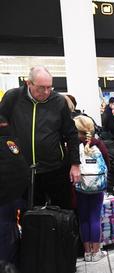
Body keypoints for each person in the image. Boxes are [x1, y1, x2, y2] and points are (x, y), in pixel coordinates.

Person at [0, 66, 80, 209]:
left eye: (49, 87)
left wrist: (75, 164)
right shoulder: (13, 97)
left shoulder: (59, 101)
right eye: (41, 87)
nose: (46, 92)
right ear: (28, 83)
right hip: (22, 170)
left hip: (55, 168)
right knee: (30, 217)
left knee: (63, 213)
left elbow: (71, 133)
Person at [73, 115, 110, 262]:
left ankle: (87, 252)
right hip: (97, 186)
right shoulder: (97, 144)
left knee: (83, 218)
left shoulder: (73, 145)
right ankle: (96, 251)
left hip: (79, 186)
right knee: (95, 217)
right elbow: (107, 162)